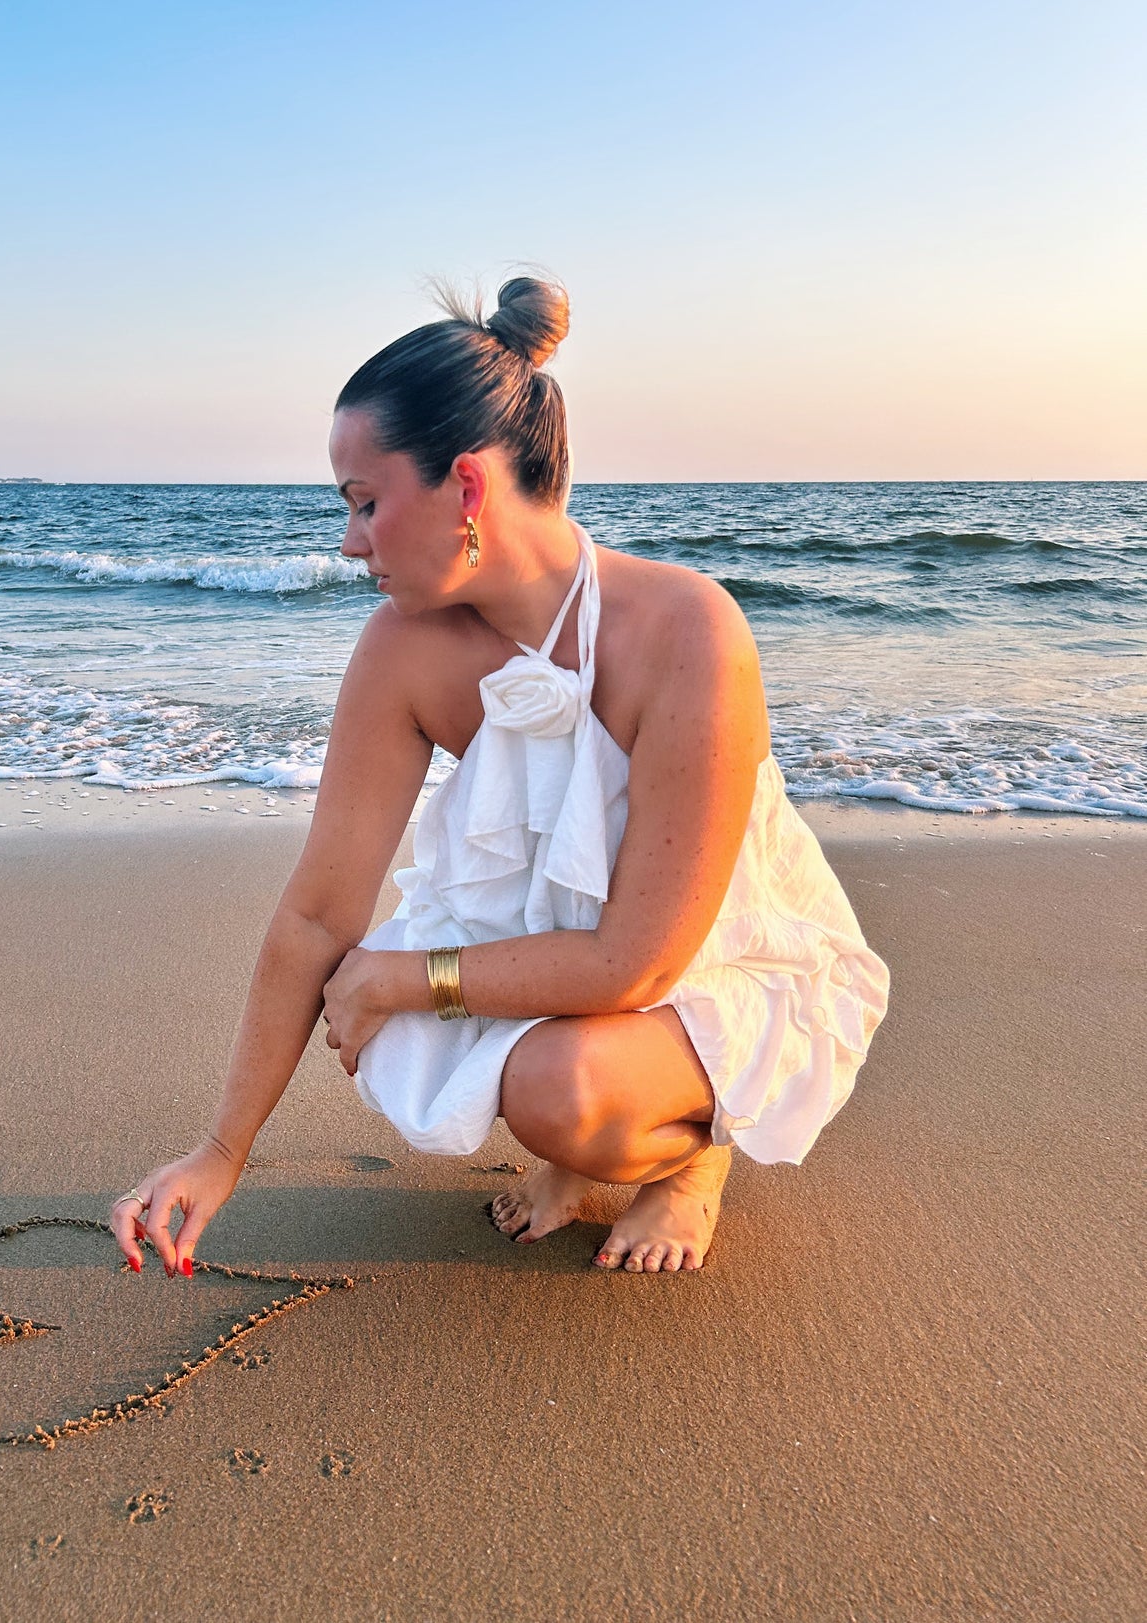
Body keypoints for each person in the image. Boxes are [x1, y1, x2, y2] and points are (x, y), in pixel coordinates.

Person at [112, 277, 889, 1278]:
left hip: (706, 968)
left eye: (364, 503)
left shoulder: (685, 629)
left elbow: (637, 965)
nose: (348, 543)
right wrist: (221, 1152)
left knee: (555, 1091)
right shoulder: (402, 650)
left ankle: (694, 1157)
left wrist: (399, 978)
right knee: (421, 1045)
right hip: (559, 955)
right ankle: (575, 1151)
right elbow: (317, 913)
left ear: (466, 488)